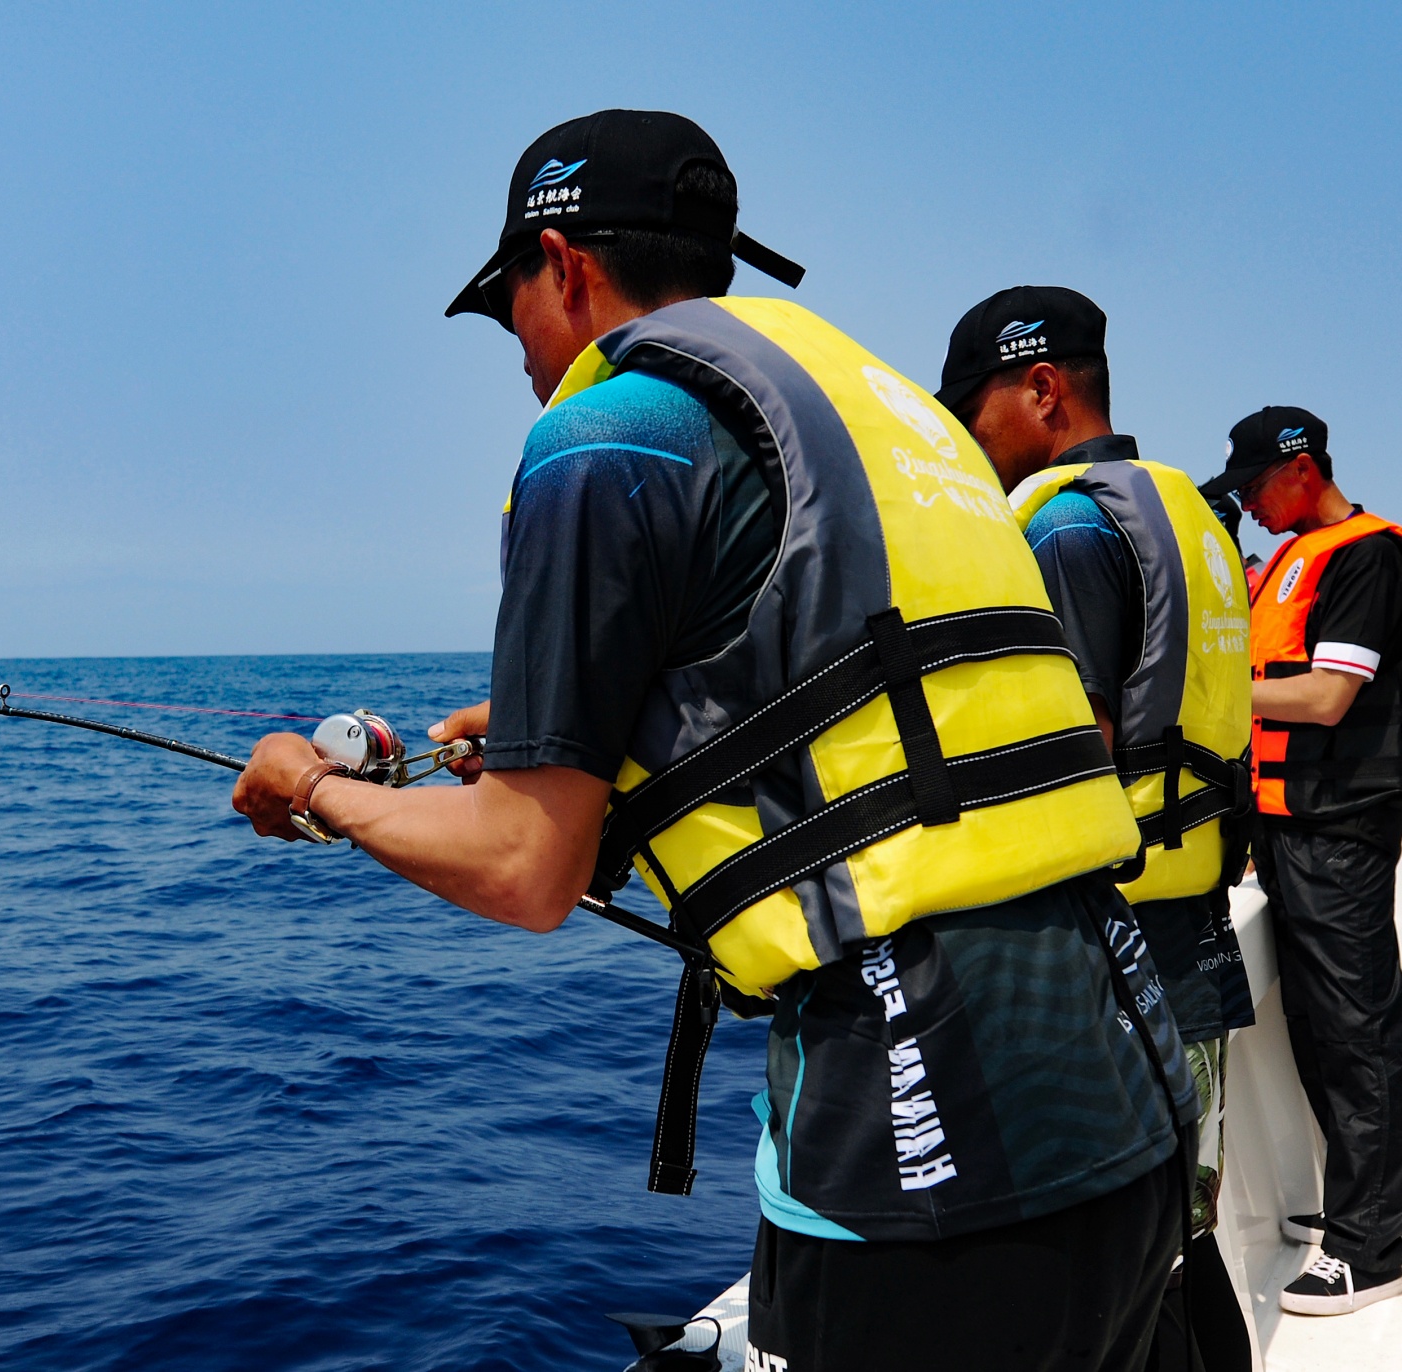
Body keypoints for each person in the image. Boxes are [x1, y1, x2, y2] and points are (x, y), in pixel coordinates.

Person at [232, 110, 1199, 1371]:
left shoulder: (602, 433)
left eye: (512, 297)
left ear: (563, 264)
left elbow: (529, 867)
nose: (519, 347)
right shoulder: (880, 410)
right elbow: (860, 714)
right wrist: (583, 742)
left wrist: (315, 789)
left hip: (930, 1151)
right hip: (1124, 1073)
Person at [937, 286, 1255, 1369]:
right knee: (1182, 1229)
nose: (971, 446)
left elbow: (1066, 745)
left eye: (973, 414)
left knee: (1111, 1254)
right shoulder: (1184, 512)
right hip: (1191, 912)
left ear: (1041, 388)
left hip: (1114, 943)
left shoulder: (1067, 525)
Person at [1202, 407, 1402, 1315]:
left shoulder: (1367, 556)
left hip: (1343, 831)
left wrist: (1207, 689)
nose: (1248, 500)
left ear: (1304, 467)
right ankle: (1361, 1210)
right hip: (1286, 835)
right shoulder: (1285, 560)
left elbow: (1324, 697)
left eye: (1254, 484)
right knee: (1320, 1034)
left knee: (1359, 1034)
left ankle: (1380, 1241)